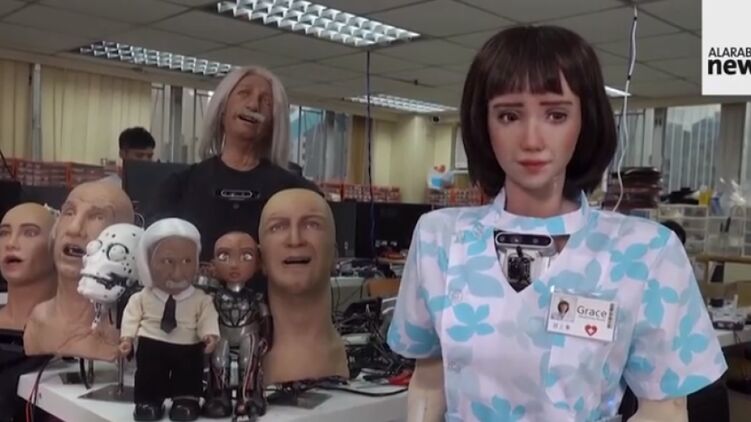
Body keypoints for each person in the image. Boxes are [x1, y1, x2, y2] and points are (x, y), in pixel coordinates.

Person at [387, 25, 726, 422]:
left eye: (556, 114)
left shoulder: (647, 253)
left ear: (585, 121)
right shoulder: (439, 239)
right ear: (483, 124)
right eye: (509, 115)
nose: (532, 139)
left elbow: (664, 408)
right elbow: (429, 382)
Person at [149, 66, 319, 262]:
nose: (253, 105)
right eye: (244, 93)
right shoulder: (178, 187)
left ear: (273, 122)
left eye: (266, 102)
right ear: (222, 110)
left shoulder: (297, 192)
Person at [120, 218, 220, 422]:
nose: (178, 273)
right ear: (147, 263)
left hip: (188, 344)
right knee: (149, 373)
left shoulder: (200, 299)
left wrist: (209, 334)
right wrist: (127, 338)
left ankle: (186, 400)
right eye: (167, 262)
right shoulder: (142, 297)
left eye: (187, 261)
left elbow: (207, 317)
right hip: (152, 342)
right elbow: (131, 316)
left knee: (188, 374)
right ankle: (149, 401)